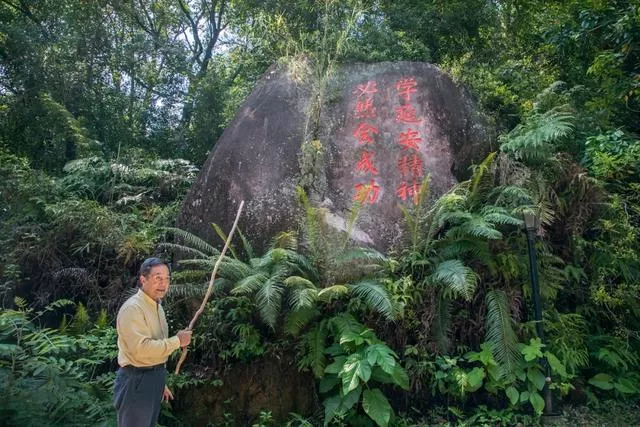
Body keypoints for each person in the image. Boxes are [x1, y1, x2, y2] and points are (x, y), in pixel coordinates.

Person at [113, 257, 192, 427]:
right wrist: (177, 341)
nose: (163, 283)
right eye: (157, 278)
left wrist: (159, 381)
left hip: (151, 378)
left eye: (167, 279)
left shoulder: (157, 306)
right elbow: (141, 350)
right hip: (136, 380)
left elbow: (156, 347)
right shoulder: (133, 308)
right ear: (143, 280)